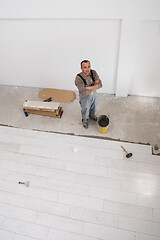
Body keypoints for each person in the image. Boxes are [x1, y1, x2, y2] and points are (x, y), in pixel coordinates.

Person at [75, 60, 102, 129]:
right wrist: (95, 87)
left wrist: (89, 88)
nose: (87, 69)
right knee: (86, 109)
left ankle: (92, 116)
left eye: (88, 67)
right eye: (85, 67)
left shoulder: (93, 72)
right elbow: (84, 92)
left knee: (94, 107)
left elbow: (100, 84)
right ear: (81, 68)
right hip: (85, 97)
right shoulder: (78, 78)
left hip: (94, 95)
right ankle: (85, 121)